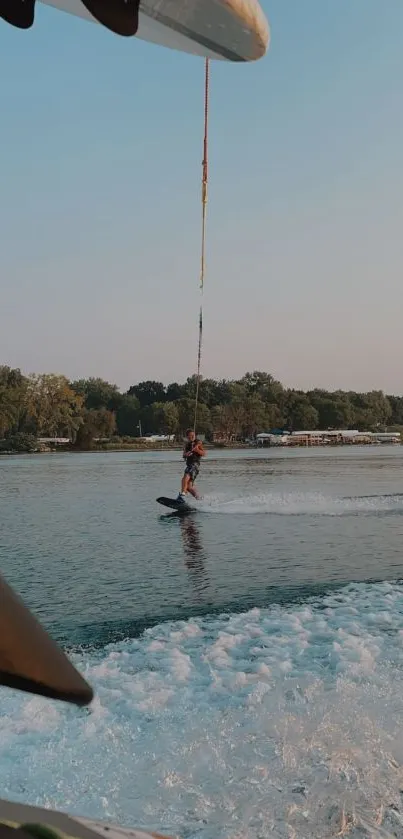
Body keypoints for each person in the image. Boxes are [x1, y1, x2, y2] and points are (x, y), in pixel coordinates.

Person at [177, 429, 205, 503]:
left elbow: (204, 453)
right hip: (189, 465)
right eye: (190, 435)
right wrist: (186, 455)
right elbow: (183, 455)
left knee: (185, 477)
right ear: (187, 436)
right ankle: (200, 499)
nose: (192, 436)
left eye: (193, 435)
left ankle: (182, 495)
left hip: (195, 465)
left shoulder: (198, 443)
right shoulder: (187, 445)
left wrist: (197, 450)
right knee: (189, 487)